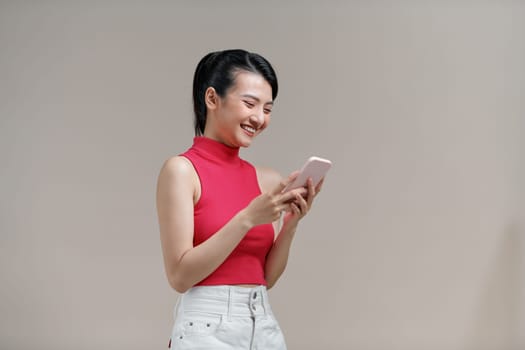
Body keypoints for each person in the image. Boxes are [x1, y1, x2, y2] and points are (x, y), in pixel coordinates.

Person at [156, 49, 325, 350]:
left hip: (263, 324)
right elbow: (180, 276)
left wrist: (290, 224)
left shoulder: (267, 179)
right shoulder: (182, 171)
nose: (259, 118)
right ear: (212, 98)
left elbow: (266, 278)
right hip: (206, 328)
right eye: (250, 103)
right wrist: (248, 218)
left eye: (268, 109)